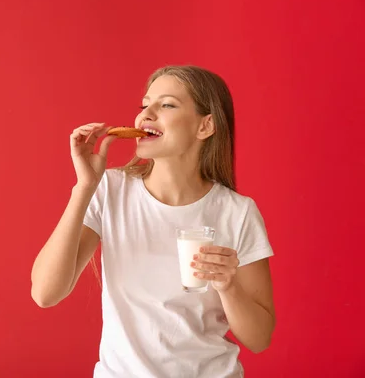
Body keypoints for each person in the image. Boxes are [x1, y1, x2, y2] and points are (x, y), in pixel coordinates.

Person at [30, 65, 275, 378]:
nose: (145, 114)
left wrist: (228, 288)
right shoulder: (109, 190)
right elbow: (45, 294)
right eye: (145, 105)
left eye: (167, 104)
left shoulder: (237, 212)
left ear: (205, 126)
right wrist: (84, 188)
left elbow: (260, 338)